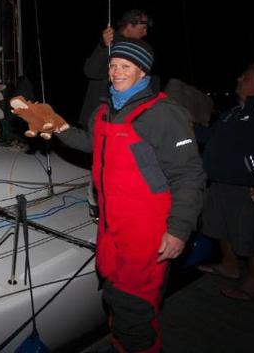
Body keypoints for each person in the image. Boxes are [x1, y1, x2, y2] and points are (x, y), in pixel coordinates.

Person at [48, 40, 205, 352]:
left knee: (134, 307)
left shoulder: (163, 115)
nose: (116, 72)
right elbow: (92, 144)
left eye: (126, 66)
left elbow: (189, 176)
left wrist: (178, 230)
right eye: (113, 65)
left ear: (142, 71)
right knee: (115, 297)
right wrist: (59, 127)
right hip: (110, 226)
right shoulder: (105, 111)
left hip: (147, 231)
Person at [197, 60, 254, 301]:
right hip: (220, 182)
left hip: (248, 187)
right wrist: (181, 129)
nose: (238, 79)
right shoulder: (236, 110)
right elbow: (209, 134)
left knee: (252, 238)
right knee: (219, 226)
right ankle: (229, 266)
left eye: (245, 76)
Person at [78, 9, 150, 128]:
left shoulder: (134, 47)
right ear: (130, 25)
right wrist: (103, 46)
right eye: (143, 27)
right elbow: (91, 71)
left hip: (120, 119)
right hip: (99, 118)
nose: (145, 33)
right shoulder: (110, 41)